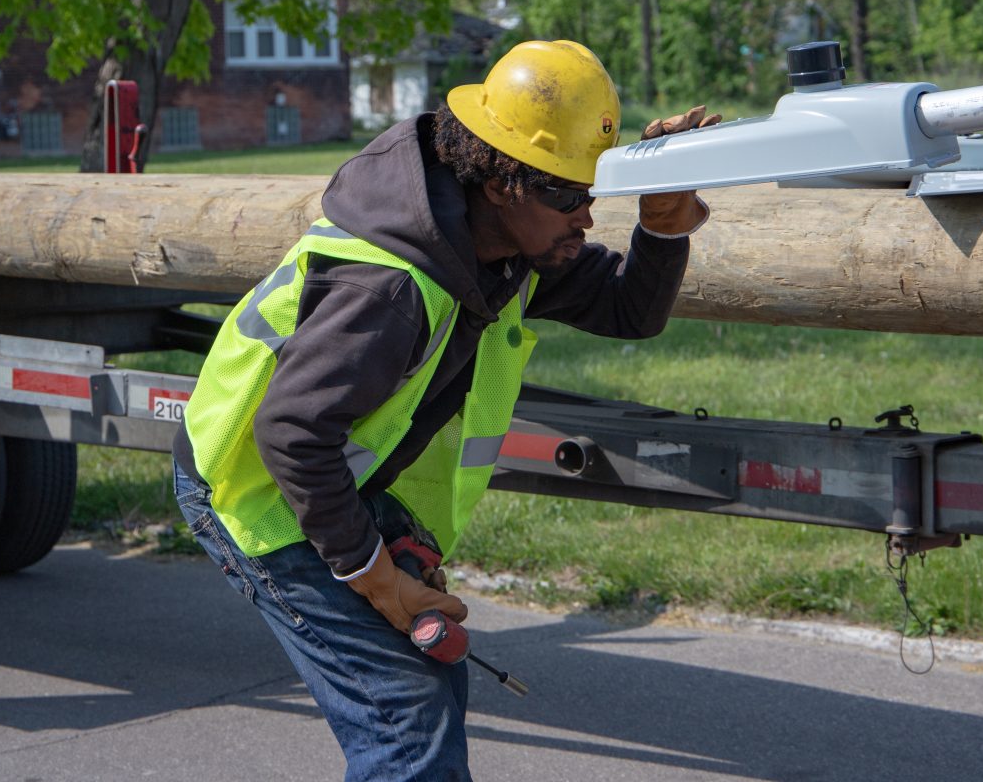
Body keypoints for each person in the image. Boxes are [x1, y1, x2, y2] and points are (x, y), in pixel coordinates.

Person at [173, 38, 720, 780]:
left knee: (425, 678)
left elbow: (630, 309)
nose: (586, 216)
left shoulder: (506, 248)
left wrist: (662, 224)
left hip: (331, 472)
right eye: (567, 193)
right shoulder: (391, 286)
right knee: (405, 712)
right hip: (254, 488)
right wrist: (374, 576)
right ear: (501, 182)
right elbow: (292, 433)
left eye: (594, 192)